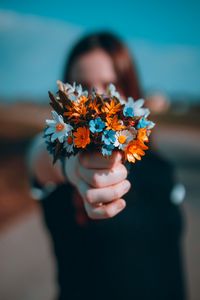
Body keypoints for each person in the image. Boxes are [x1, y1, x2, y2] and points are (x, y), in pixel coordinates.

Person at [29, 32, 186, 300]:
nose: (99, 100)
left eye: (110, 85)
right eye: (84, 88)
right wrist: (71, 167)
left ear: (130, 91)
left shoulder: (160, 167)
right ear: (67, 101)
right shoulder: (69, 166)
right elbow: (38, 156)